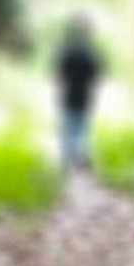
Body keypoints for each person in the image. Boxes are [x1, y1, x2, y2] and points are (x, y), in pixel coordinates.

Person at [54, 16, 103, 171]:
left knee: (68, 126)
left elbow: (60, 77)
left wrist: (59, 94)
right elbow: (95, 80)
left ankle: (67, 159)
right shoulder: (90, 54)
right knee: (82, 128)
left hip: (69, 94)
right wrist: (94, 96)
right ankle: (80, 156)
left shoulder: (66, 53)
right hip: (84, 96)